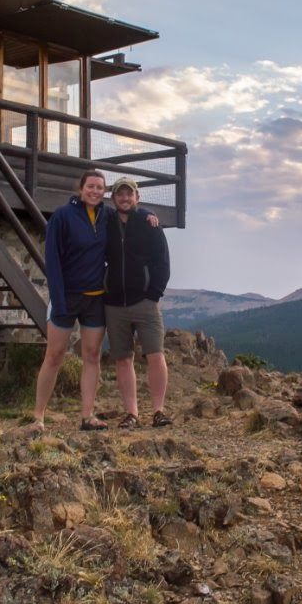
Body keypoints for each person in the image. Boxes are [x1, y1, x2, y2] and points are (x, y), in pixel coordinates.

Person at [33, 170, 113, 431]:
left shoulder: (107, 216)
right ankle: (38, 418)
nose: (95, 191)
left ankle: (88, 416)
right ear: (81, 189)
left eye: (100, 187)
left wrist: (149, 217)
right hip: (65, 296)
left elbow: (130, 219)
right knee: (54, 355)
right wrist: (57, 298)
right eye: (91, 186)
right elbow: (53, 260)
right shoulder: (62, 216)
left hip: (95, 300)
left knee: (92, 355)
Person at [104, 177, 172, 428]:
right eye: (120, 195)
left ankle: (158, 411)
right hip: (113, 304)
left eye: (129, 194)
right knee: (123, 359)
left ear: (137, 197)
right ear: (113, 199)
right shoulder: (106, 222)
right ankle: (131, 414)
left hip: (145, 302)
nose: (124, 198)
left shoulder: (149, 224)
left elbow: (162, 262)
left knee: (155, 355)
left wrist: (153, 293)